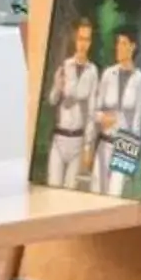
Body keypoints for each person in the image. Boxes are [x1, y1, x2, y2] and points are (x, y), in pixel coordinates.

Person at [91, 25, 141, 195]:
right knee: (96, 192)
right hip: (104, 141)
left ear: (132, 46)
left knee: (115, 194)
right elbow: (94, 110)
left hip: (124, 145)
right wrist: (103, 118)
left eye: (123, 43)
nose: (119, 47)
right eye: (118, 43)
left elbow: (137, 118)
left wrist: (133, 156)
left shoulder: (139, 78)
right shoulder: (109, 74)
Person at [44, 18, 100, 190]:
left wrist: (88, 145)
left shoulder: (93, 71)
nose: (83, 44)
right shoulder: (65, 65)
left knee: (69, 192)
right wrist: (57, 86)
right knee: (52, 187)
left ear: (90, 42)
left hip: (78, 140)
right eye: (80, 39)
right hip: (59, 138)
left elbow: (92, 109)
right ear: (75, 39)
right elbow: (52, 100)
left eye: (87, 39)